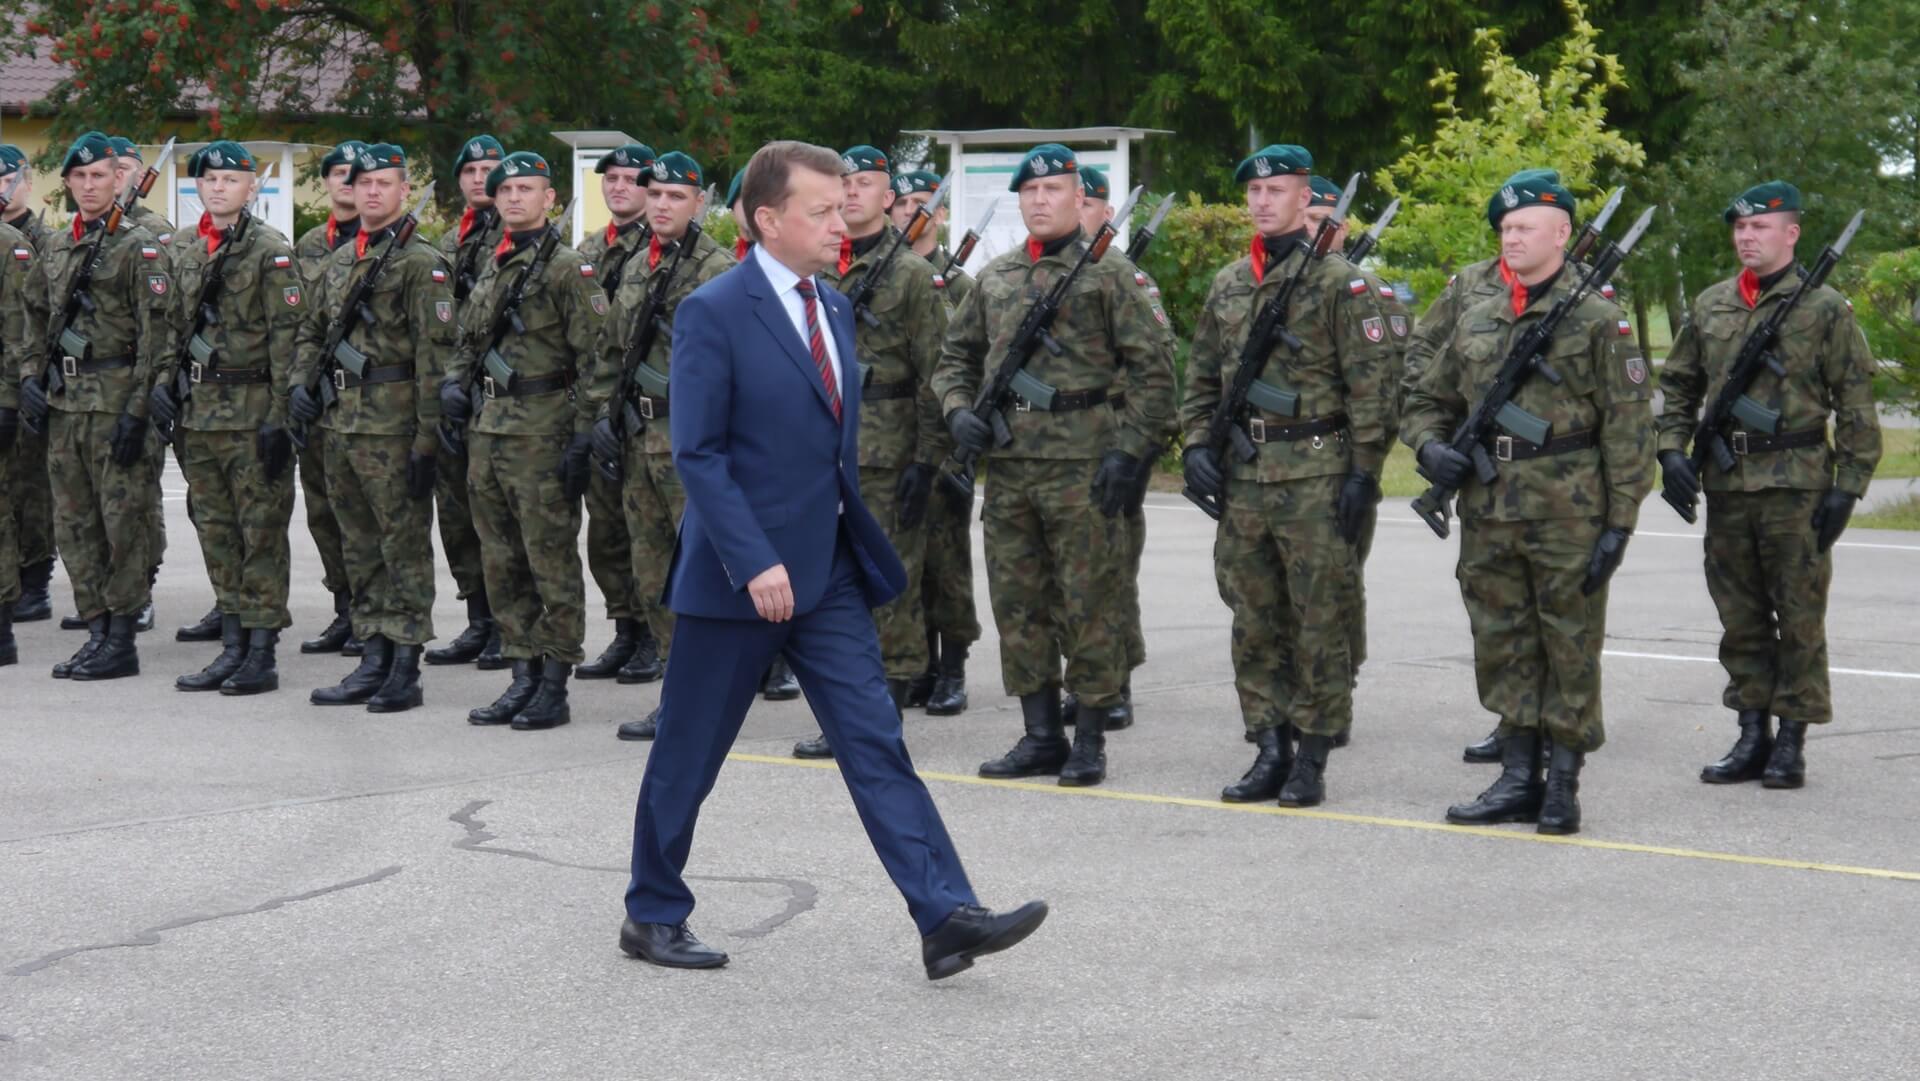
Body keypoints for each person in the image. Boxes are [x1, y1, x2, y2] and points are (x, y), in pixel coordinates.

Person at [620, 139, 1046, 980]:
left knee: (875, 739)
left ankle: (943, 913)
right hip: (739, 579)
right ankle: (652, 912)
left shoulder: (836, 306)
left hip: (827, 569)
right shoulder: (713, 310)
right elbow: (698, 452)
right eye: (819, 210)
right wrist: (754, 560)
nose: (839, 221)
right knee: (689, 752)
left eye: (842, 204)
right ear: (767, 219)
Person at [1400, 168, 1654, 835]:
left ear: (1562, 233)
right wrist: (1430, 448)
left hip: (1569, 512)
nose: (1510, 237)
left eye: (1525, 226)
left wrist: (1620, 523)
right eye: (1505, 227)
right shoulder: (1478, 314)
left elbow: (1630, 429)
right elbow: (1426, 397)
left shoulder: (1598, 318)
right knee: (1502, 640)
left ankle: (1562, 783)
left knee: (1570, 643)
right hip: (1489, 509)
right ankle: (1517, 777)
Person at [931, 143, 1178, 788]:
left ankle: (1090, 738)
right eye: (1030, 192)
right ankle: (1040, 734)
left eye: (1054, 190)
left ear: (1078, 197)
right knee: (1019, 604)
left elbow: (1155, 374)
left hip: (1084, 463)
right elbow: (954, 358)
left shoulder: (1111, 275)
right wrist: (958, 412)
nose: (1040, 201)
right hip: (1011, 467)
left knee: (1088, 602)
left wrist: (1129, 451)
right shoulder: (996, 276)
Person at [1180, 145, 1396, 807]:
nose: (1263, 201)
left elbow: (1374, 389)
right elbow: (1201, 377)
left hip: (1316, 475)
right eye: (1255, 191)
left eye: (1277, 190)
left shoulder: (1339, 283)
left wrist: (1364, 474)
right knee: (1253, 617)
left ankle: (1313, 755)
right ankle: (1269, 746)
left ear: (1306, 200)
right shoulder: (1229, 283)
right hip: (1245, 477)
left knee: (1319, 618)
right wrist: (1196, 444)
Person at [1657, 181, 1881, 789]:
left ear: (1792, 233)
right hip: (1728, 484)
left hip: (1797, 485)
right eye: (1740, 228)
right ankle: (1751, 731)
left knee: (1799, 615)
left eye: (1760, 227)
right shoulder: (1711, 304)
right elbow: (1678, 384)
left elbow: (1856, 402)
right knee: (1741, 617)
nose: (1747, 237)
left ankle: (1791, 740)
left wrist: (1849, 485)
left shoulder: (1825, 309)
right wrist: (1671, 449)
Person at [789, 144, 948, 760]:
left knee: (887, 583)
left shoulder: (911, 275)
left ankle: (881, 715)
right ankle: (844, 710)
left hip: (887, 451)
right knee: (831, 587)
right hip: (819, 451)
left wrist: (927, 462)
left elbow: (936, 374)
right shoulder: (812, 267)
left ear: (889, 198)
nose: (852, 192)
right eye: (844, 183)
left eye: (864, 183)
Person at [289, 143, 456, 712]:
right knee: (358, 546)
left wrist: (427, 442)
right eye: (364, 183)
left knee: (401, 547)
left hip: (394, 429)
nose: (373, 192)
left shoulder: (421, 263)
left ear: (404, 190)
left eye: (385, 183)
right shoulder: (339, 261)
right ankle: (372, 655)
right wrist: (300, 384)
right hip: (340, 425)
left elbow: (436, 359)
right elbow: (311, 330)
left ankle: (405, 664)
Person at [441, 151, 605, 729]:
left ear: (549, 199)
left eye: (526, 189)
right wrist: (453, 383)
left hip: (542, 430)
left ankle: (554, 681)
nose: (513, 198)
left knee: (548, 559)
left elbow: (597, 357)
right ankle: (521, 672)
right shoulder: (495, 260)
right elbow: (468, 337)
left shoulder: (568, 269)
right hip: (488, 430)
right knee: (501, 558)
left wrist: (583, 435)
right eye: (505, 189)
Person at [583, 151, 736, 742]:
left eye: (677, 196)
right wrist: (603, 416)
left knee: (703, 573)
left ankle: (710, 693)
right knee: (653, 575)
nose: (663, 205)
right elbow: (611, 352)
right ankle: (678, 691)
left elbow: (738, 367)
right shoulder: (639, 266)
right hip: (639, 438)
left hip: (692, 444)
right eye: (656, 195)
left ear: (700, 202)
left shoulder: (719, 270)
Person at [147, 140, 300, 695]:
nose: (218, 187)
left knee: (260, 534)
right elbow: (171, 326)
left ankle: (260, 652)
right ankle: (232, 644)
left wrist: (281, 417)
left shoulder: (270, 251)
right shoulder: (187, 250)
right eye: (209, 179)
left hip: (252, 414)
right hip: (199, 416)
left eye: (230, 179)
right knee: (215, 530)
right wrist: (163, 385)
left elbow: (290, 341)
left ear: (251, 188)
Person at [20, 132, 172, 680]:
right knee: (74, 524)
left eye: (99, 176)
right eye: (79, 177)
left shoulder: (139, 247)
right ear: (66, 184)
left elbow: (159, 336)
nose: (89, 185)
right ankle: (97, 628)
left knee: (123, 524)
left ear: (117, 179)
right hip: (66, 405)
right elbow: (34, 318)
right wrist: (29, 378)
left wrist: (139, 412)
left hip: (117, 405)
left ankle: (123, 637)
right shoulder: (57, 247)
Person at [1058, 164, 1177, 734]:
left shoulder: (1125, 276)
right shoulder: (1050, 275)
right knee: (1069, 578)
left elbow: (1156, 369)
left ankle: (1116, 683)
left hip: (1116, 441)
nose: (1076, 213)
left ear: (1105, 213)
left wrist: (1136, 449)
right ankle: (1083, 681)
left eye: (1087, 205)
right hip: (1064, 446)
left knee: (1111, 571)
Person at [1307, 173, 1412, 736]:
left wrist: (1364, 468)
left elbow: (1386, 385)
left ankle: (1338, 682)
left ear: (1342, 228)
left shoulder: (1368, 293)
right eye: (1305, 220)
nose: (1310, 231)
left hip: (1341, 459)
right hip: (1282, 464)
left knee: (1339, 579)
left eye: (1320, 221)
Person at [574, 142, 663, 684]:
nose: (620, 187)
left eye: (632, 179)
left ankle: (654, 636)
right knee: (605, 531)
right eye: (612, 178)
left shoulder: (662, 249)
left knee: (646, 532)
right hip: (598, 407)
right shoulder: (587, 249)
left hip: (646, 415)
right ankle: (625, 629)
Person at [892, 167, 979, 714]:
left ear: (940, 214)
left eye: (920, 203)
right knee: (906, 562)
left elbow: (967, 365)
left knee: (947, 562)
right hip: (890, 437)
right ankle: (918, 665)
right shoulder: (885, 276)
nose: (909, 211)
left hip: (942, 442)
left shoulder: (959, 285)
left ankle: (952, 669)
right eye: (900, 203)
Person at [427, 134, 508, 669]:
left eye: (489, 169)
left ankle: (507, 624)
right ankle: (478, 619)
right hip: (453, 390)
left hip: (499, 398)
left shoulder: (515, 237)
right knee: (456, 515)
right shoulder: (451, 241)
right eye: (470, 171)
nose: (480, 178)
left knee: (497, 520)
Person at [291, 139, 368, 657]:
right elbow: (302, 322)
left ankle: (372, 614)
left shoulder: (387, 243)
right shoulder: (310, 245)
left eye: (357, 175)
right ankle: (344, 607)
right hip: (319, 400)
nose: (348, 181)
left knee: (365, 516)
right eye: (339, 172)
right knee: (323, 511)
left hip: (368, 404)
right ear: (325, 182)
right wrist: (298, 386)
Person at [2, 145, 55, 631]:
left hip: (24, 380)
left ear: (26, 182)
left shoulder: (40, 242)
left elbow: (28, 323)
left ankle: (34, 581)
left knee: (29, 485)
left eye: (5, 179)